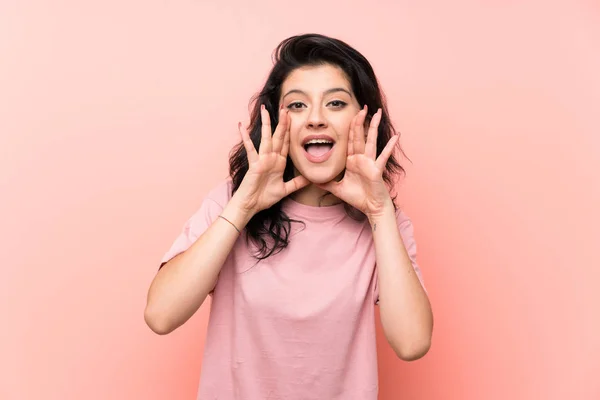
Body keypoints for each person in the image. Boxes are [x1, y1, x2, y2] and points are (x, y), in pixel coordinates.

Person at [144, 33, 433, 399]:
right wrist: (242, 207)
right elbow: (160, 315)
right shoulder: (229, 204)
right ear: (275, 121)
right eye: (297, 106)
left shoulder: (385, 224)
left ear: (363, 119)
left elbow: (412, 343)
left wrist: (379, 212)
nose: (315, 119)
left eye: (335, 103)